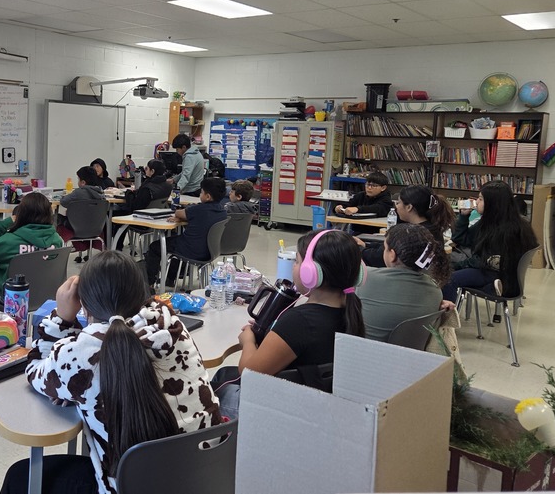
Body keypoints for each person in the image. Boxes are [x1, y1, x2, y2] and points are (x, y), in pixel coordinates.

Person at [1, 250, 222, 494]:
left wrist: (63, 318)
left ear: (83, 305)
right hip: (202, 479)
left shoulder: (82, 353)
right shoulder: (170, 324)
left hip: (130, 486)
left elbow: (34, 370)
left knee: (19, 475)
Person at [213, 229, 365, 419]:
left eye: (297, 262)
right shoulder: (352, 308)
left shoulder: (299, 321)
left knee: (212, 388)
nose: (294, 267)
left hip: (278, 409)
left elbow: (248, 373)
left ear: (312, 272)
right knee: (223, 373)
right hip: (315, 403)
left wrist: (248, 342)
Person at [442, 181, 539, 321]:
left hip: (498, 273)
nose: (476, 202)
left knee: (449, 278)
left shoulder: (505, 229)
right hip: (497, 270)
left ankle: (446, 322)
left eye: (481, 199)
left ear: (493, 204)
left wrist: (455, 267)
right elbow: (462, 239)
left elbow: (481, 261)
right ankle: (490, 287)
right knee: (450, 269)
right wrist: (464, 216)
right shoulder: (494, 221)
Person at [357, 224, 451, 341]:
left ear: (392, 255)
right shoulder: (435, 291)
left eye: (384, 248)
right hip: (409, 355)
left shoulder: (366, 278)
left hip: (363, 352)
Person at [0, 192, 64, 307]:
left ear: (21, 214)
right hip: (47, 294)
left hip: (14, 297)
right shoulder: (57, 240)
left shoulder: (9, 241)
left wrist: (5, 223)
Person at [144, 177, 227, 289]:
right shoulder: (222, 211)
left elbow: (179, 213)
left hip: (190, 250)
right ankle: (170, 279)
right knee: (175, 242)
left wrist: (181, 216)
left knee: (156, 247)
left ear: (207, 197)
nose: (200, 195)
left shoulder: (198, 210)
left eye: (201, 192)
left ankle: (149, 283)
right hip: (209, 251)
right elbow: (201, 220)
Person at [358, 185, 453, 266]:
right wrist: (366, 245)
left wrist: (356, 249)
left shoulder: (411, 234)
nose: (396, 206)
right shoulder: (431, 229)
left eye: (398, 202)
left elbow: (379, 258)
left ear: (409, 207)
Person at [57, 166, 108, 261]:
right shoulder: (101, 193)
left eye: (78, 179)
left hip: (76, 228)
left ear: (83, 182)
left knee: (60, 218)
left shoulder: (78, 193)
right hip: (96, 228)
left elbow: (63, 202)